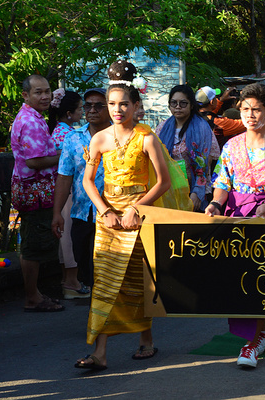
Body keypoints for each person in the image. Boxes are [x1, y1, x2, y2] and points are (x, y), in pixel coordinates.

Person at [75, 61, 179, 371]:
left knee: (135, 282)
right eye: (112, 104)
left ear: (136, 106)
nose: (117, 109)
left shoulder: (146, 137)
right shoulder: (99, 139)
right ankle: (100, 353)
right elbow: (87, 181)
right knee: (105, 283)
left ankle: (146, 340)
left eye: (124, 104)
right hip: (108, 222)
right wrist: (105, 210)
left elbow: (164, 181)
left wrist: (135, 208)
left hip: (137, 220)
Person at [203, 83, 265, 368]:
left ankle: (256, 339)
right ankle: (262, 333)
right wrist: (216, 204)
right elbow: (222, 182)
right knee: (238, 279)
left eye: (256, 109)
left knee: (261, 279)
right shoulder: (232, 146)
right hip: (237, 217)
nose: (250, 115)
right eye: (245, 109)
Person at [11, 74, 64, 312]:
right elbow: (34, 162)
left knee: (34, 240)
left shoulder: (34, 117)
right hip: (34, 190)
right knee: (32, 244)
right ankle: (32, 296)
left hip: (35, 189)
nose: (45, 96)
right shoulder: (30, 121)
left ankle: (36, 294)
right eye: (38, 92)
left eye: (47, 91)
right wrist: (65, 155)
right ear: (26, 95)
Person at [52, 88, 111, 289]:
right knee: (85, 270)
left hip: (113, 214)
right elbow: (64, 176)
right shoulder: (73, 138)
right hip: (82, 213)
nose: (92, 110)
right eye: (88, 105)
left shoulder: (122, 137)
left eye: (98, 106)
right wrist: (57, 213)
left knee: (106, 273)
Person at [47, 89, 89, 299]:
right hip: (71, 190)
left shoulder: (60, 130)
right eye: (81, 108)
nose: (83, 112)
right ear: (69, 113)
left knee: (66, 238)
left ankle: (69, 280)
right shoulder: (69, 135)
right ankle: (72, 281)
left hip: (67, 189)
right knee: (69, 237)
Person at [156, 85, 220, 212]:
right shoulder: (162, 127)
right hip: (169, 189)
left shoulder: (202, 128)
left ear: (191, 105)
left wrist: (197, 191)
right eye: (174, 103)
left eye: (183, 103)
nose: (178, 107)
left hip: (193, 189)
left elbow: (206, 161)